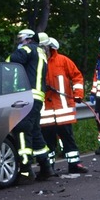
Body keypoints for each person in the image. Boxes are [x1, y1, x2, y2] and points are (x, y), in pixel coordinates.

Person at [39, 37, 89, 174]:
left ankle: (74, 164)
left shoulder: (63, 61)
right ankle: (48, 168)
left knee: (68, 139)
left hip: (63, 110)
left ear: (50, 48)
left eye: (45, 47)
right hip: (46, 112)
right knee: (48, 142)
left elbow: (77, 76)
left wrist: (78, 93)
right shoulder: (38, 62)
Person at [7, 28, 52, 180]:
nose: (19, 42)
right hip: (37, 98)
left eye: (21, 39)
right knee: (34, 131)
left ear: (27, 39)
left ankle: (25, 171)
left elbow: (10, 61)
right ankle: (45, 167)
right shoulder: (41, 53)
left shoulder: (27, 49)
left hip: (25, 97)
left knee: (22, 131)